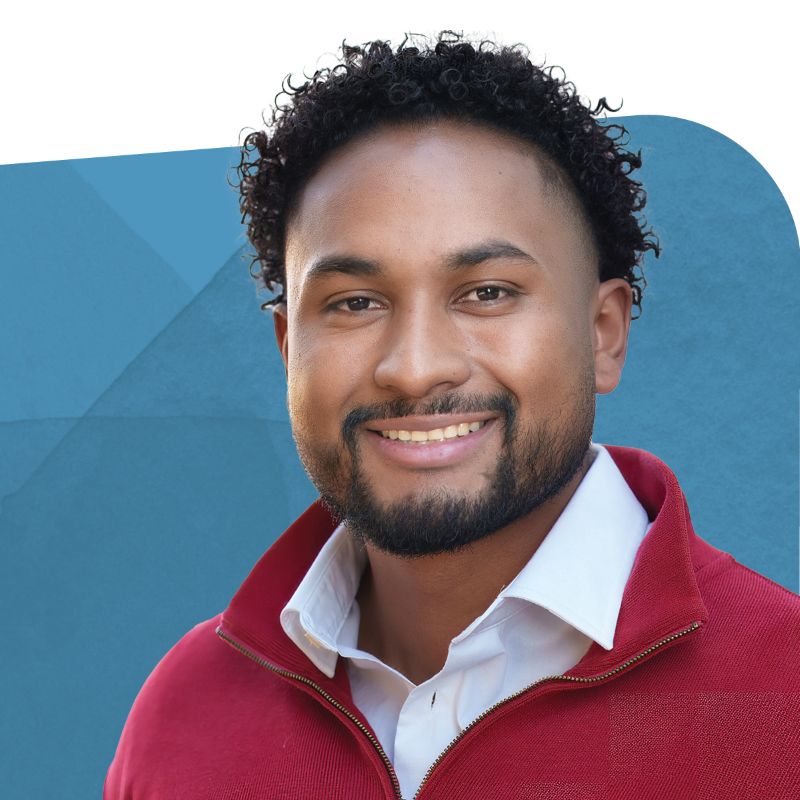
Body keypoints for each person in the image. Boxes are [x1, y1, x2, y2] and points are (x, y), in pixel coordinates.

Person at [104, 31, 800, 799]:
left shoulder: (781, 700)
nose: (414, 366)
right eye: (355, 303)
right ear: (286, 347)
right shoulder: (184, 715)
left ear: (605, 332)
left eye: (487, 292)